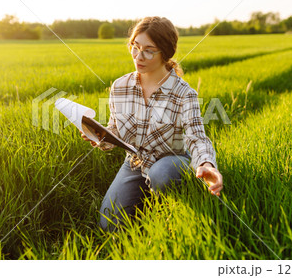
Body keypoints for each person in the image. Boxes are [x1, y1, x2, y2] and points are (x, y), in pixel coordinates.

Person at [80, 16, 223, 232]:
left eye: (149, 50)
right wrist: (100, 137)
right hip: (135, 162)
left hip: (170, 162)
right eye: (135, 47)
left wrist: (206, 164)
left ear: (165, 53)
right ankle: (147, 199)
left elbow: (197, 137)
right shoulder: (120, 87)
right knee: (109, 224)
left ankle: (175, 206)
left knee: (162, 174)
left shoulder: (184, 94)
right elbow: (116, 129)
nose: (139, 56)